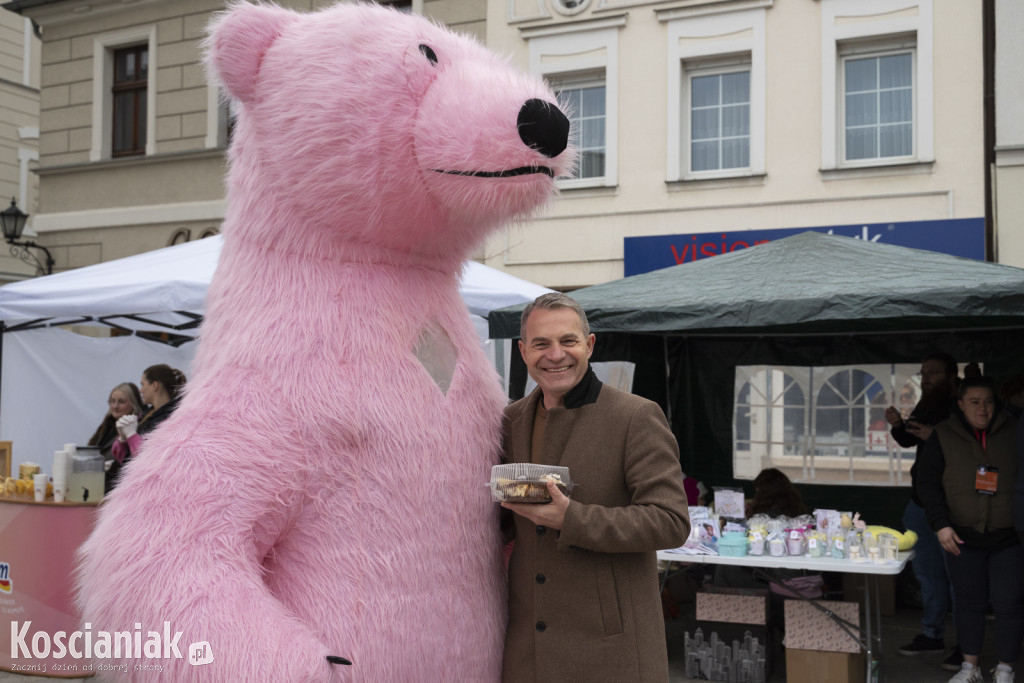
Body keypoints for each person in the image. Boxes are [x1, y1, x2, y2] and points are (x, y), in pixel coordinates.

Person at [500, 293, 690, 683]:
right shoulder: (509, 420)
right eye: (541, 344)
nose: (556, 355)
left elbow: (671, 521)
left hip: (609, 650)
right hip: (528, 648)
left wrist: (573, 518)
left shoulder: (636, 416)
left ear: (589, 345)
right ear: (523, 351)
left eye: (568, 341)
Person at [917, 376, 1022, 683]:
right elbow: (928, 484)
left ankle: (1005, 669)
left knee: (1009, 603)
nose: (982, 409)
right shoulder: (944, 435)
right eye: (974, 402)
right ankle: (969, 667)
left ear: (996, 404)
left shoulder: (1014, 430)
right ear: (961, 404)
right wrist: (941, 525)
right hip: (961, 535)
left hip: (1008, 536)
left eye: (988, 402)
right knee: (968, 603)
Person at [887, 353, 963, 668]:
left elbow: (973, 448)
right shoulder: (928, 401)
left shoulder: (962, 404)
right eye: (923, 373)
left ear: (951, 375)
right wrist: (897, 426)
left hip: (954, 508)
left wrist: (938, 437)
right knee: (928, 575)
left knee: (959, 579)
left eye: (933, 372)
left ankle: (965, 644)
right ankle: (932, 635)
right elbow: (910, 438)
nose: (927, 377)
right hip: (921, 503)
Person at [111, 364, 187, 469]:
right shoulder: (145, 415)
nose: (140, 390)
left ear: (154, 385)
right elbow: (121, 458)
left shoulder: (172, 417)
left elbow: (150, 460)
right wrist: (122, 439)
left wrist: (131, 435)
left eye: (143, 384)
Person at [88, 383, 145, 492]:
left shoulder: (138, 427)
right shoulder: (107, 425)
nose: (115, 406)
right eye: (112, 401)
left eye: (121, 402)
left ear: (134, 403)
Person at [746, 467, 811, 518]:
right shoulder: (796, 506)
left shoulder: (765, 513)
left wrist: (751, 513)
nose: (757, 491)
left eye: (758, 488)